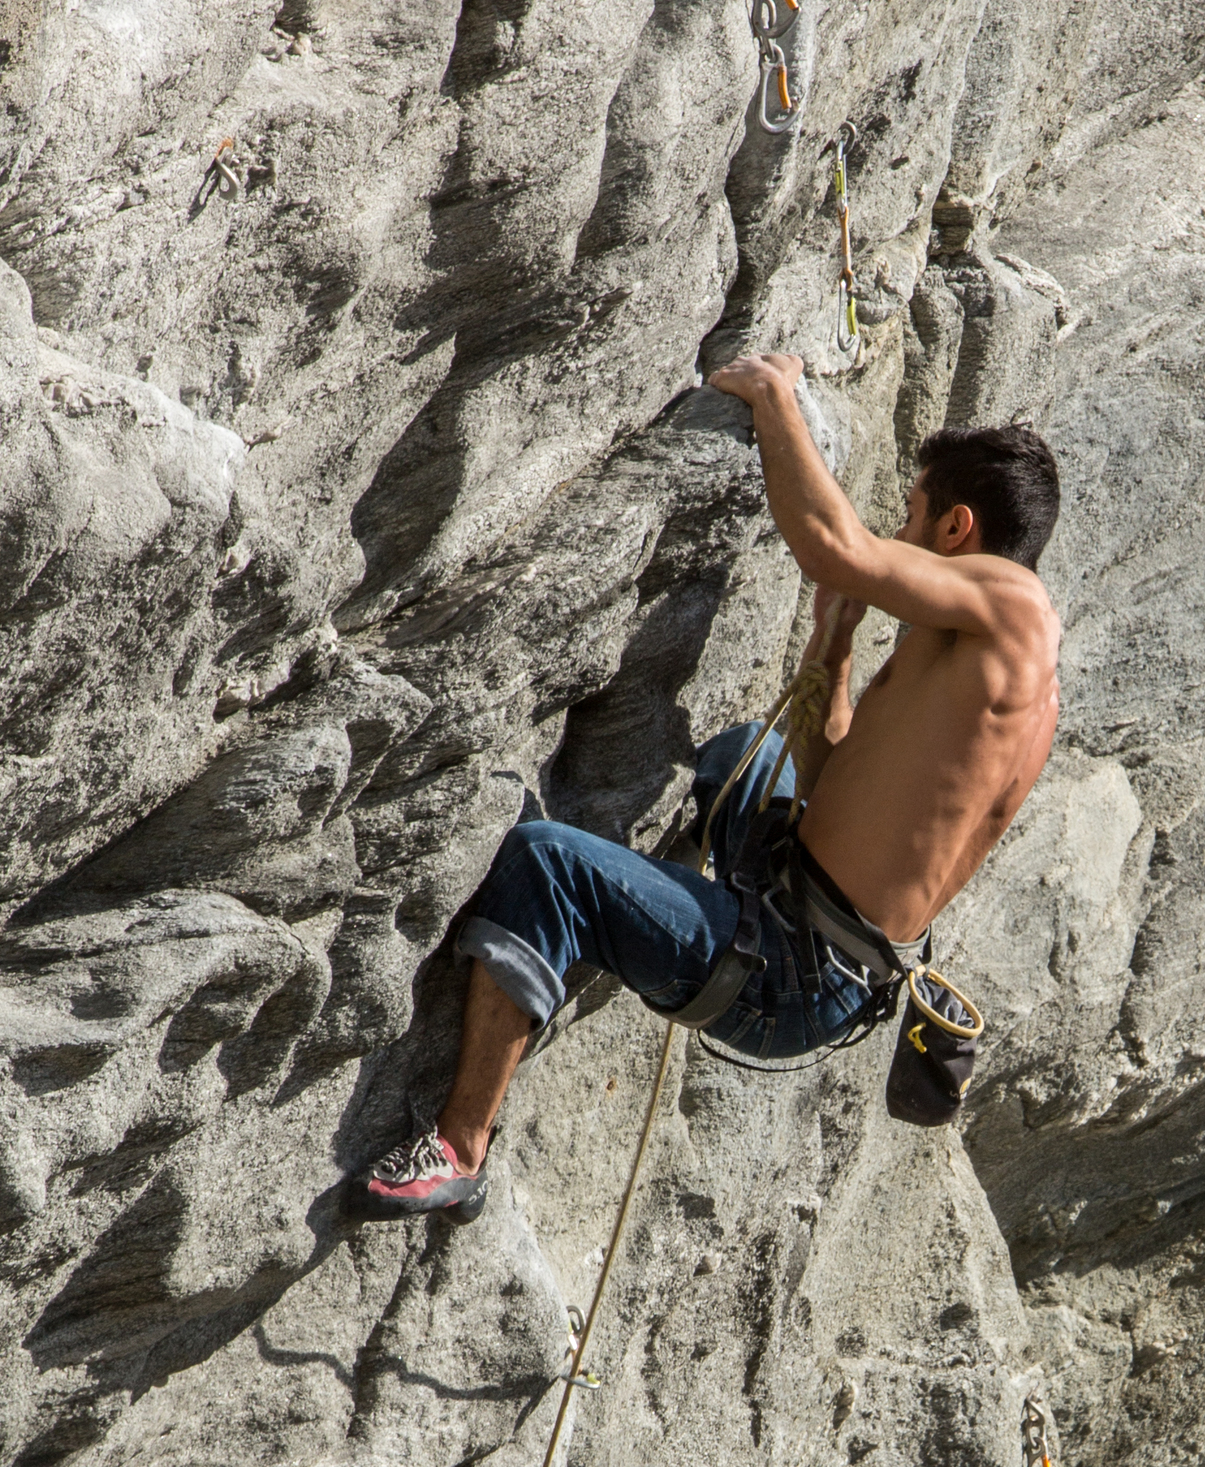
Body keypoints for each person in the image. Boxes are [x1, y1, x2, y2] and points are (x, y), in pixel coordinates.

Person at [348, 353, 1061, 1220]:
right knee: (736, 758)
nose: (896, 538)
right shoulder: (986, 667)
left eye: (908, 519)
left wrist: (773, 399)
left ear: (955, 527)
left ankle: (460, 1148)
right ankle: (648, 917)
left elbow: (834, 545)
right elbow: (829, 778)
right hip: (811, 926)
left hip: (788, 974)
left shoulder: (1018, 608)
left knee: (544, 863)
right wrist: (829, 654)